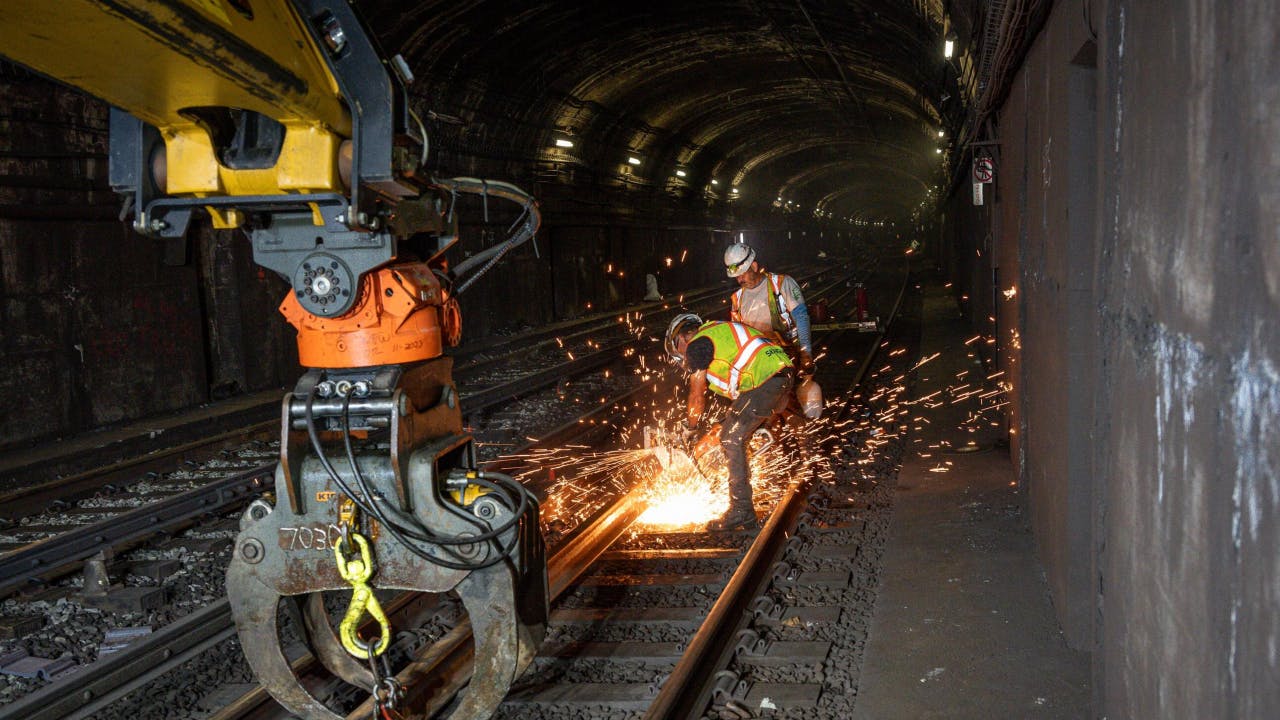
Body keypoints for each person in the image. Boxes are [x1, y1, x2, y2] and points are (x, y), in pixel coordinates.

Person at [664, 313, 794, 530]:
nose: (682, 359)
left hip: (767, 380)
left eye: (678, 352)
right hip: (780, 375)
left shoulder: (697, 345)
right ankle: (749, 493)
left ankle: (741, 509)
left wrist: (690, 428)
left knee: (731, 438)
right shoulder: (718, 330)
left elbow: (697, 395)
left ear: (681, 338)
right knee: (729, 431)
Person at [723, 243, 815, 376]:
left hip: (788, 354)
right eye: (736, 277)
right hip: (757, 360)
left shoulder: (781, 284)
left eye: (742, 274)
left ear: (754, 266)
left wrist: (806, 353)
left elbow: (801, 317)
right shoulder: (737, 299)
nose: (739, 280)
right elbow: (737, 335)